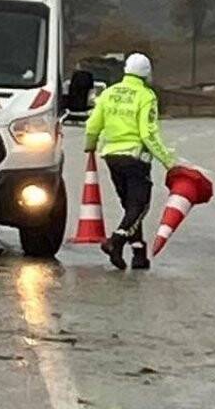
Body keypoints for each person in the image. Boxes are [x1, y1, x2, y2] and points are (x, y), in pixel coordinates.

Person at [83, 52, 176, 271]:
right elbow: (148, 134)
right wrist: (168, 161)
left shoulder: (109, 93)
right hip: (135, 158)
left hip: (112, 157)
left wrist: (90, 144)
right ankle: (115, 241)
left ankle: (138, 253)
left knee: (129, 206)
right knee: (140, 206)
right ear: (147, 73)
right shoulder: (146, 96)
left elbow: (93, 124)